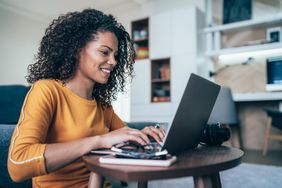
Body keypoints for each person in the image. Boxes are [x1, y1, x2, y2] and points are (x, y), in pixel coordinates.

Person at [7, 8, 165, 188]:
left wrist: (145, 136)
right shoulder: (46, 91)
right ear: (77, 50)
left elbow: (125, 140)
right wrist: (98, 141)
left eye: (115, 56)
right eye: (105, 52)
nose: (113, 62)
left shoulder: (102, 106)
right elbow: (17, 165)